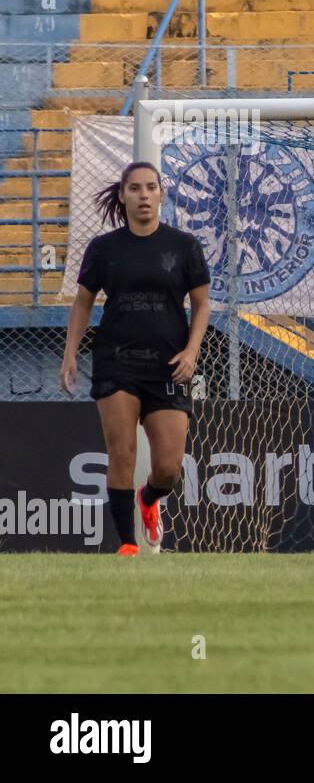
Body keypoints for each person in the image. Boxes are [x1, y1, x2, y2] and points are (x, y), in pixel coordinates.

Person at [62, 161, 211, 556]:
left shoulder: (184, 246)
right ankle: (127, 545)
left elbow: (202, 304)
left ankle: (149, 500)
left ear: (162, 194)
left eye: (151, 187)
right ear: (123, 195)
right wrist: (70, 354)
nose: (144, 195)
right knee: (122, 454)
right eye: (135, 189)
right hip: (116, 362)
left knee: (168, 469)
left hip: (168, 366)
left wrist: (192, 350)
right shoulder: (103, 249)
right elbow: (82, 303)